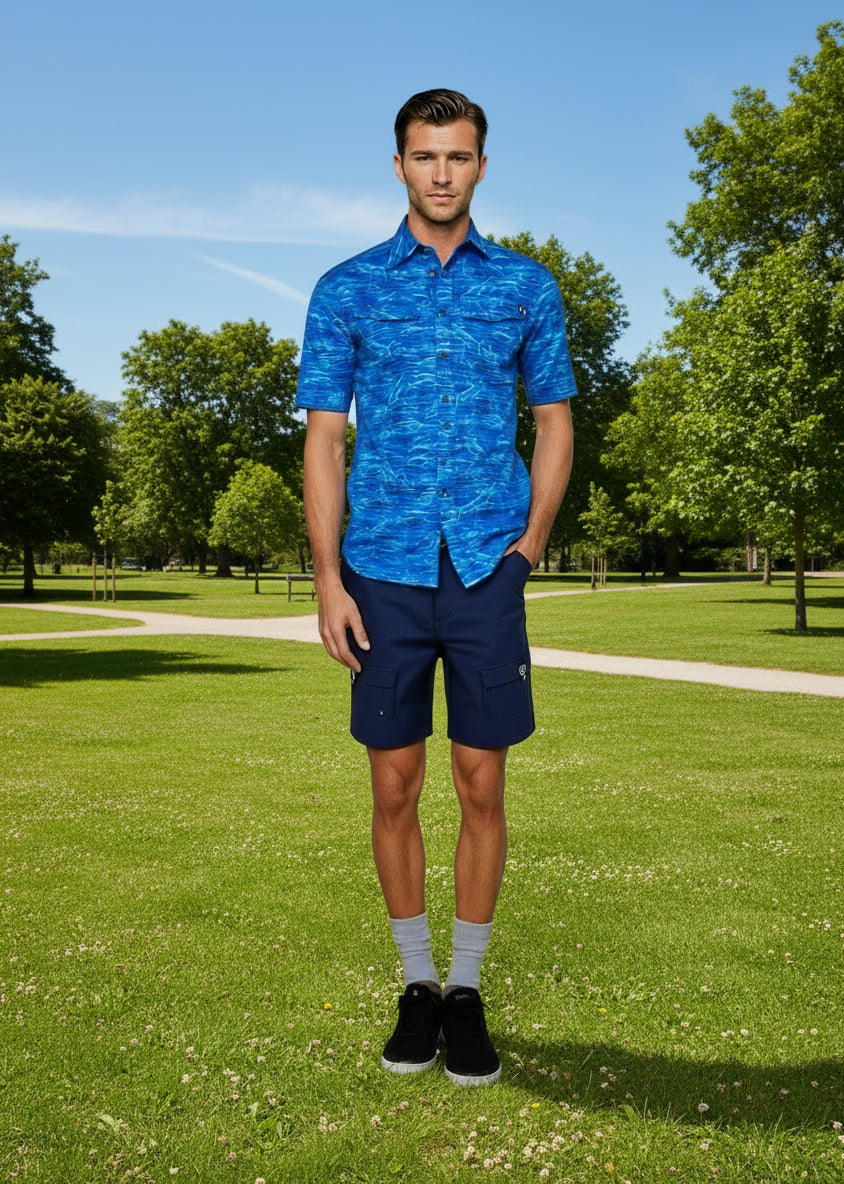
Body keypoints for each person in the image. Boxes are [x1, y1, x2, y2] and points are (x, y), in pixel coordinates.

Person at [298, 89, 575, 1086]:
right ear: (400, 165)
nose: (443, 172)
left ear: (482, 166)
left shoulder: (527, 289)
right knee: (395, 783)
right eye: (426, 156)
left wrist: (530, 544)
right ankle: (416, 984)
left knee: (482, 783)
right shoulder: (348, 290)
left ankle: (466, 990)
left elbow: (553, 418)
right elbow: (325, 436)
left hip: (486, 568)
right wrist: (329, 576)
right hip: (383, 568)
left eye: (459, 156)